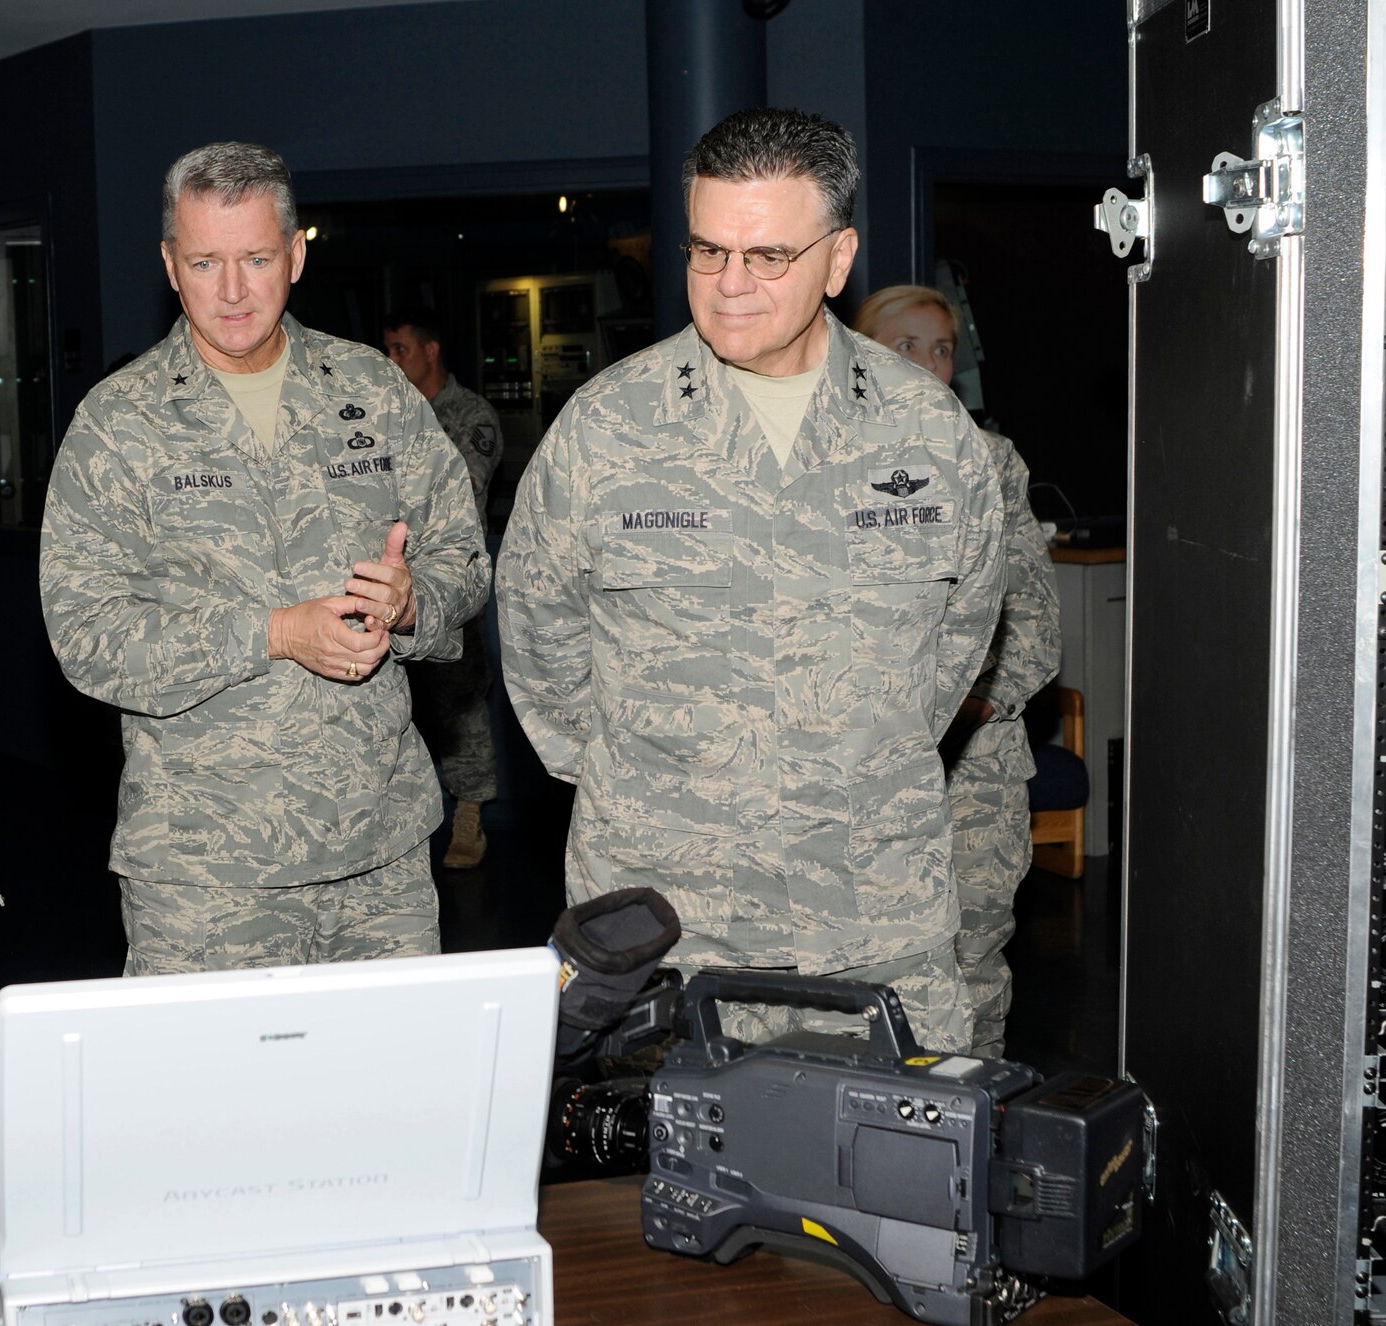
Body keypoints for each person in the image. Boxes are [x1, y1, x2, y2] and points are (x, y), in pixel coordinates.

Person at [496, 108, 1005, 1051]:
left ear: (839, 257)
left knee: (891, 1189)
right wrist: (662, 790)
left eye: (767, 256)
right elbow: (539, 646)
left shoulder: (930, 439)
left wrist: (842, 763)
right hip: (669, 929)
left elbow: (953, 652)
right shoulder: (606, 432)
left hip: (874, 926)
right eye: (706, 251)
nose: (729, 286)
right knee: (669, 1195)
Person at [40, 142, 488, 974]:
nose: (233, 290)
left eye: (255, 258)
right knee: (211, 1106)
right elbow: (85, 635)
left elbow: (463, 555)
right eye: (205, 262)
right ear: (171, 266)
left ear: (297, 252)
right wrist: (275, 632)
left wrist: (412, 601)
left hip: (378, 855)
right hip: (205, 875)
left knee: (387, 1099)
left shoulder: (374, 391)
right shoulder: (119, 422)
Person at [854, 284, 1060, 1058]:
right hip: (853, 770)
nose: (929, 363)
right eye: (907, 345)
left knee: (971, 967)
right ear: (864, 355)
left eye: (942, 348)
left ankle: (973, 1147)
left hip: (971, 769)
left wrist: (972, 705)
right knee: (860, 978)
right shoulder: (816, 463)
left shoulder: (991, 465)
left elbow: (1034, 623)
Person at [382, 307, 502, 868]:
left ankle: (470, 817)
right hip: (393, 584)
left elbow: (463, 488)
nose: (390, 360)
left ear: (430, 351)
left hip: (449, 581)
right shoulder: (389, 417)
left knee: (460, 704)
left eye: (400, 349)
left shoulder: (469, 415)